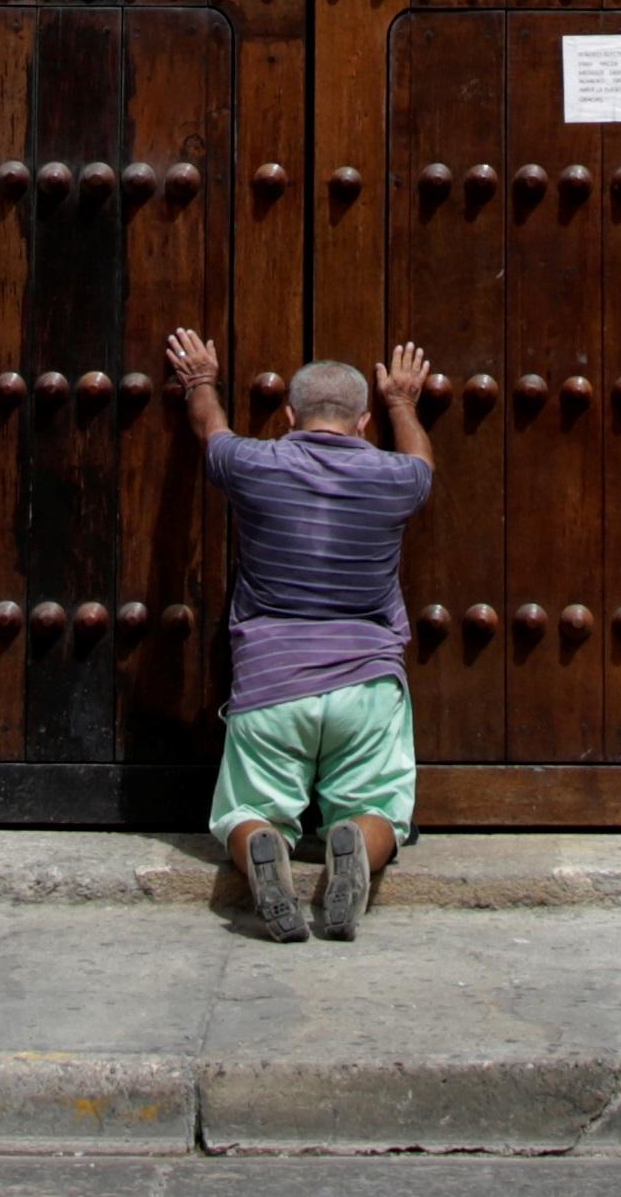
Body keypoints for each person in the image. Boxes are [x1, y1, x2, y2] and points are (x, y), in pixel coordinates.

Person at [159, 323, 434, 940]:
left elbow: (211, 429)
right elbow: (422, 460)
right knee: (379, 807)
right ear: (363, 422)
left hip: (270, 682)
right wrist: (403, 403)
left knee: (248, 810)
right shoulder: (397, 481)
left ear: (287, 414)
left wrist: (201, 380)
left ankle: (263, 845)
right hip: (367, 683)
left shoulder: (255, 463)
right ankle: (355, 845)